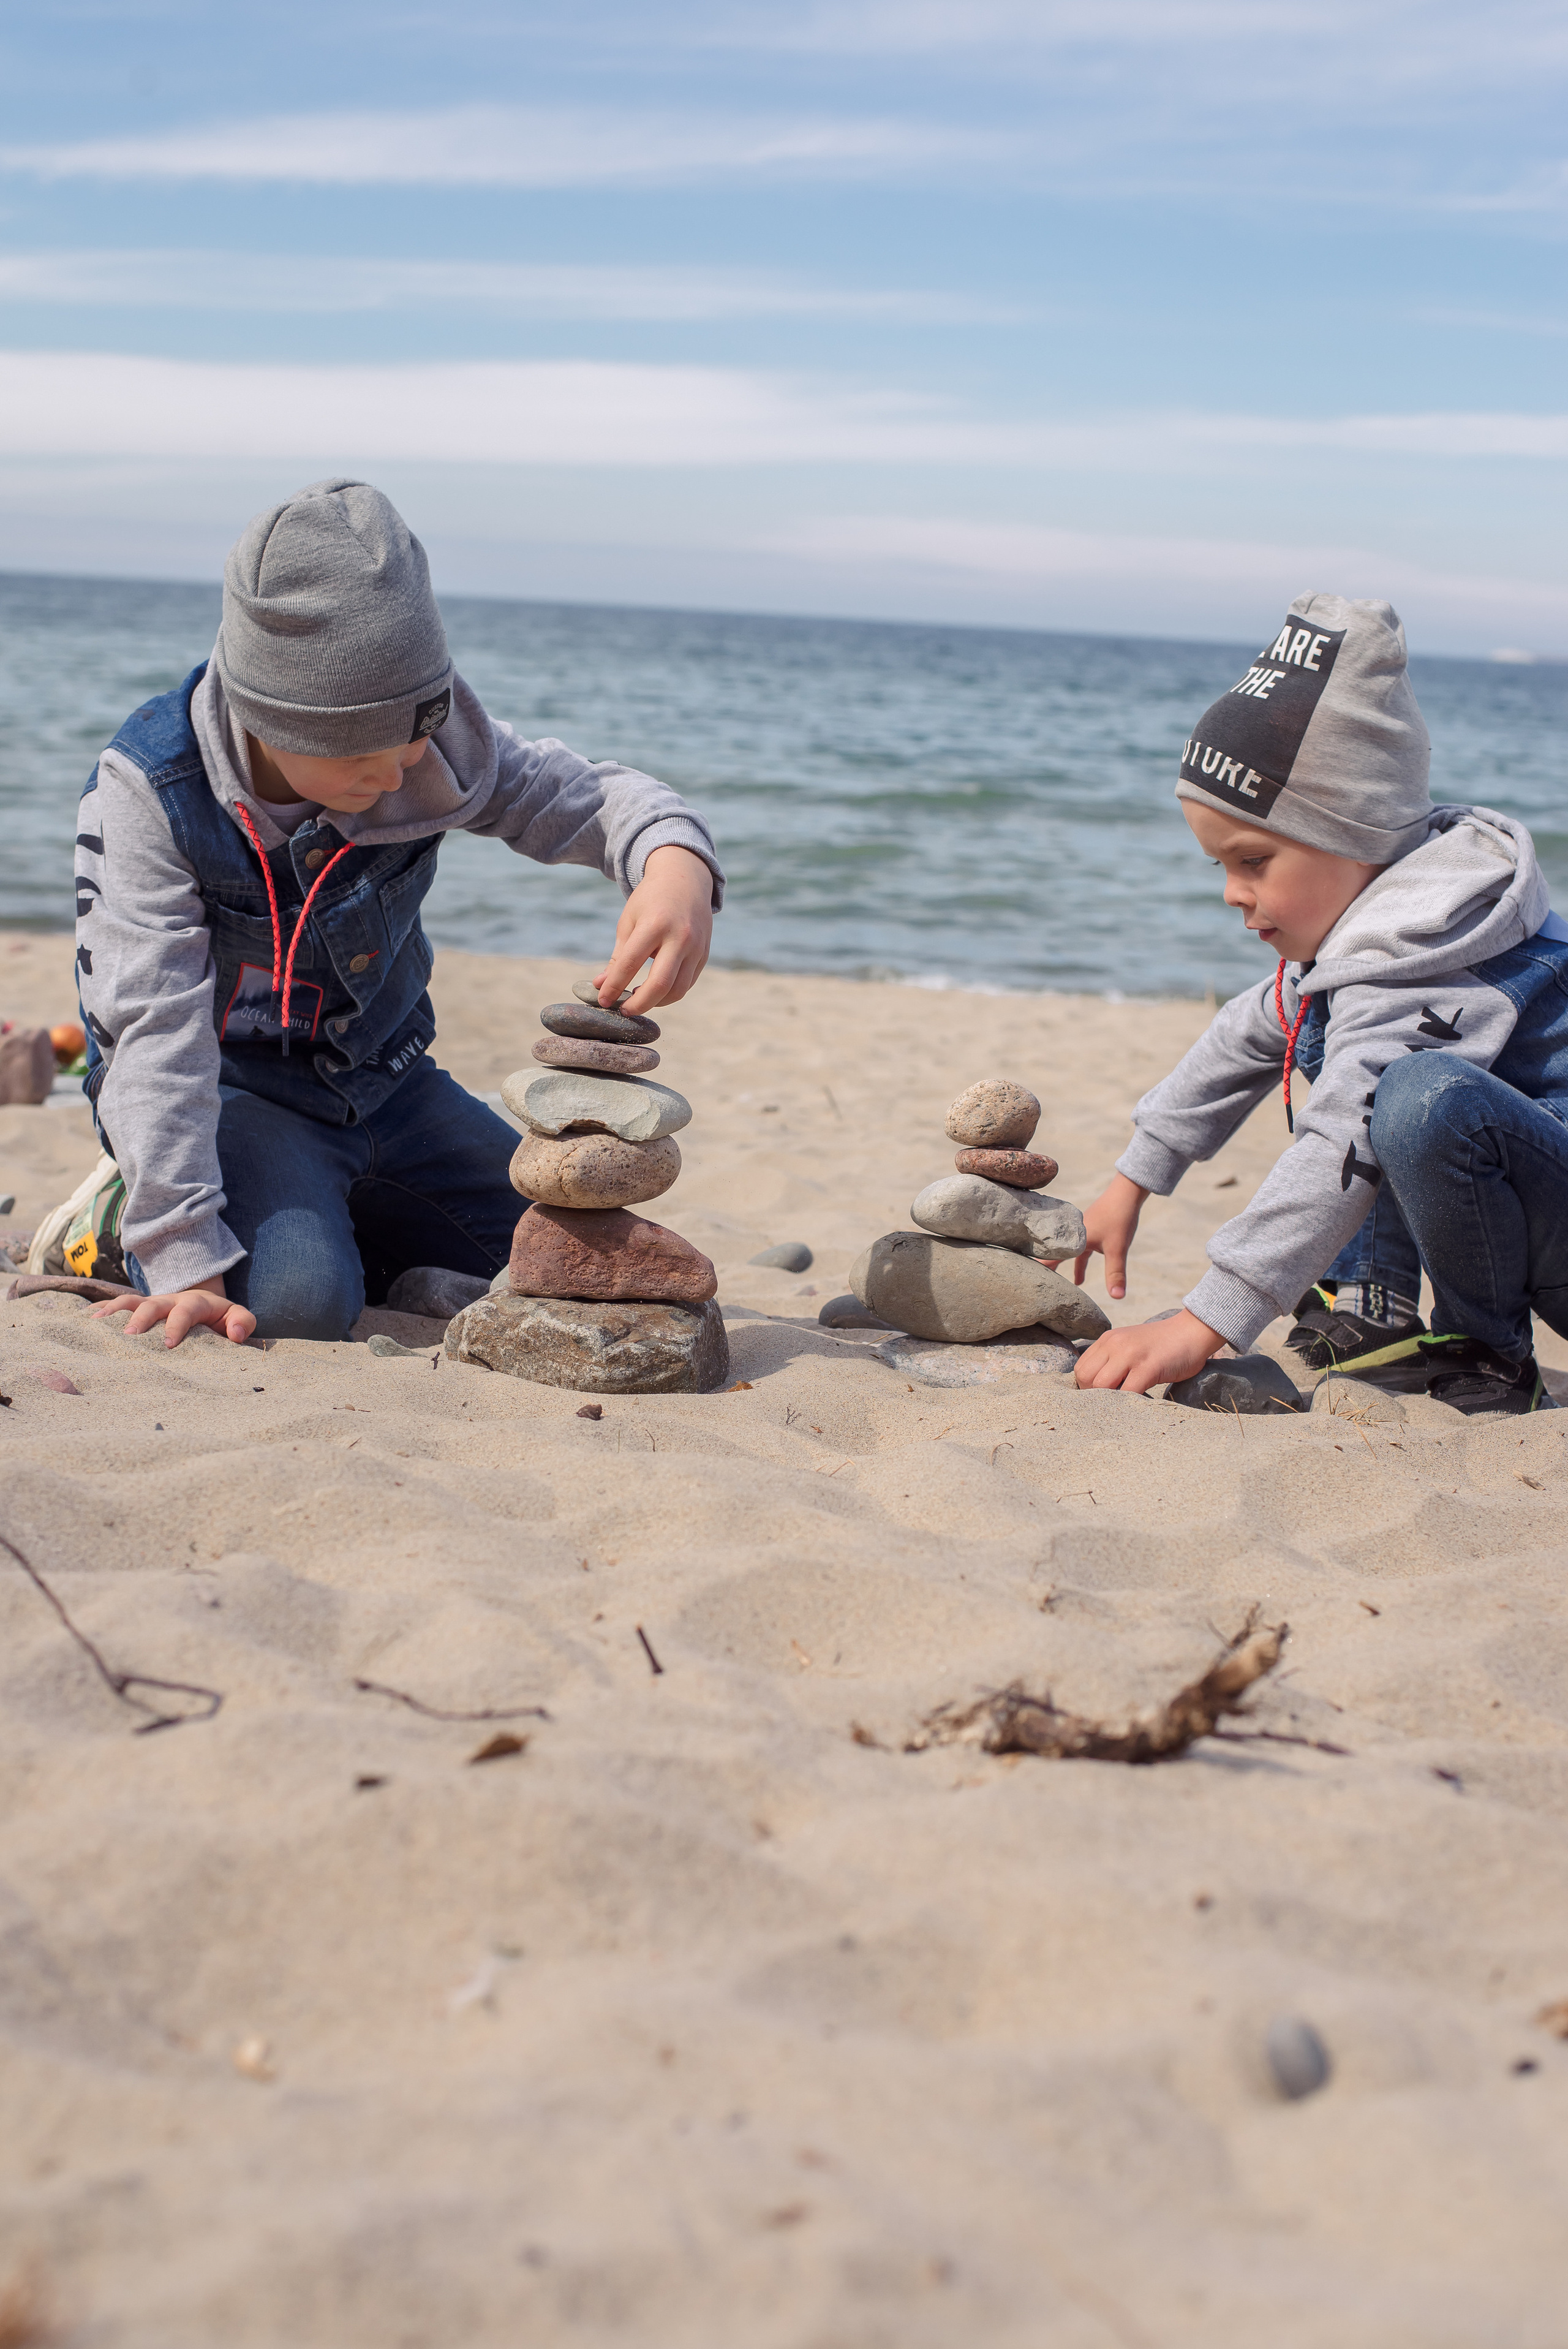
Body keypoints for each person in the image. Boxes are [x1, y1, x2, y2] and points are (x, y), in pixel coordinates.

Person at [76, 478, 722, 1350]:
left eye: (418, 736)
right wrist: (183, 1254)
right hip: (233, 1096)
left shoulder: (428, 750)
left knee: (556, 1255)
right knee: (293, 1307)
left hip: (391, 1085)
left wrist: (671, 856)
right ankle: (119, 1218)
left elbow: (573, 793)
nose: (400, 773)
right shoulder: (151, 793)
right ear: (274, 719)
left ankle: (335, 1222)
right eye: (364, 756)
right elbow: (151, 1037)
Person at [1071, 592, 1566, 1418]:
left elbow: (1345, 1131)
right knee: (1323, 1030)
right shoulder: (1369, 932)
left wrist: (1205, 1321)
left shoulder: (1428, 952)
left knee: (1410, 1097)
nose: (1234, 894)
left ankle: (1489, 1350)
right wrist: (1133, 1178)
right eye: (1220, 866)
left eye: (1254, 859)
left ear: (1354, 833)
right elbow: (1248, 1031)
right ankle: (1375, 1305)